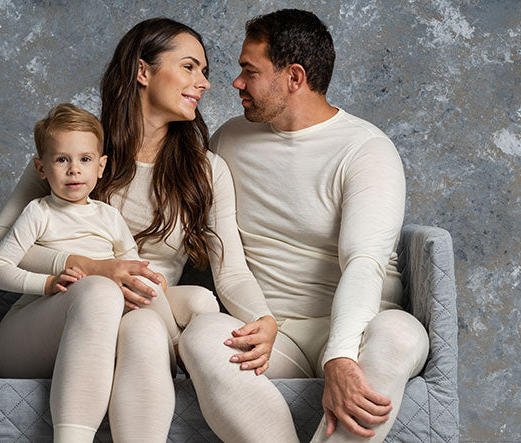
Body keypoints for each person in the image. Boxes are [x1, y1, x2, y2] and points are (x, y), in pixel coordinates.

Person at [0, 18, 267, 443]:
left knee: (149, 325)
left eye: (204, 71)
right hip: (44, 327)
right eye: (190, 67)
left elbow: (232, 272)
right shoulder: (76, 152)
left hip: (147, 320)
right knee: (99, 292)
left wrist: (263, 320)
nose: (204, 82)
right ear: (143, 71)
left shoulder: (207, 171)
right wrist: (89, 266)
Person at [178, 9, 431, 442]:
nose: (236, 83)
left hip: (367, 324)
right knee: (203, 335)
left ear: (294, 77)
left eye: (249, 71)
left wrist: (341, 355)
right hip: (275, 335)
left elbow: (363, 262)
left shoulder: (366, 148)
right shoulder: (228, 140)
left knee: (402, 336)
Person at [0, 103, 189, 355]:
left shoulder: (109, 216)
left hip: (107, 311)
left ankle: (173, 349)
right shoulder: (38, 213)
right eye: (62, 159)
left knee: (148, 289)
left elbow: (131, 264)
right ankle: (176, 350)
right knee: (109, 294)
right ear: (41, 168)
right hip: (51, 316)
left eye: (85, 159)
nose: (74, 169)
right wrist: (48, 283)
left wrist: (152, 281)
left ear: (100, 167)